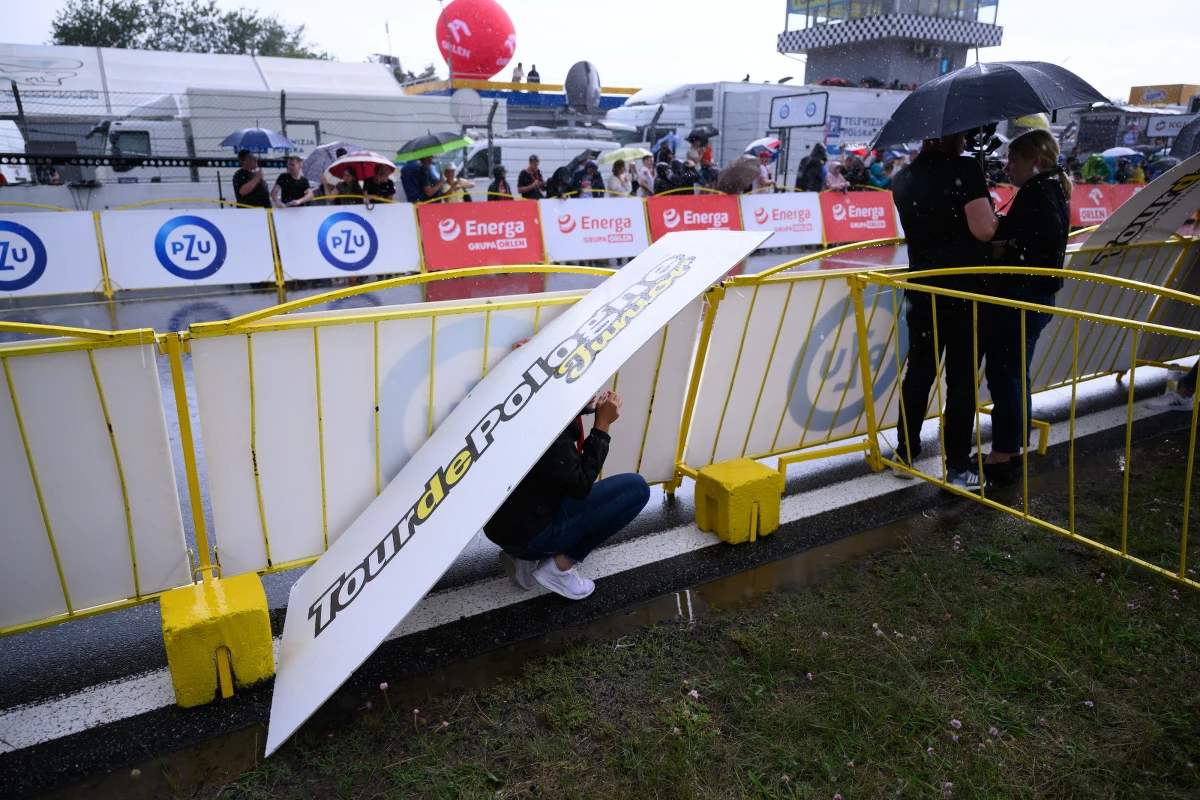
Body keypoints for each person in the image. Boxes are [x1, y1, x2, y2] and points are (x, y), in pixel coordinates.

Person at [485, 340, 650, 600]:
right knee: (636, 490)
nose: (593, 389)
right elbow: (580, 485)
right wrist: (602, 425)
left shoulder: (517, 404)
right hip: (529, 532)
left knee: (547, 487)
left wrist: (583, 407)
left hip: (505, 524)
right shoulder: (554, 435)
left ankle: (523, 557)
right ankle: (558, 567)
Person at [891, 130, 998, 491]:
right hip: (964, 289)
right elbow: (984, 230)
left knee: (919, 371)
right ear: (953, 134)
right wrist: (991, 205)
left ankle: (905, 452)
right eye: (964, 134)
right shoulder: (964, 170)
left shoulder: (902, 176)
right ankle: (956, 467)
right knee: (962, 377)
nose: (967, 139)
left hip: (922, 285)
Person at [979, 129, 1071, 486]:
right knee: (1016, 376)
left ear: (1034, 161)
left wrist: (1006, 247)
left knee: (1006, 377)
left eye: (1013, 160)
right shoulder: (1051, 187)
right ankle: (1014, 448)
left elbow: (1043, 239)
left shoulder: (1038, 191)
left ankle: (1004, 453)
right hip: (1034, 297)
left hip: (1022, 296)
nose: (1007, 166)